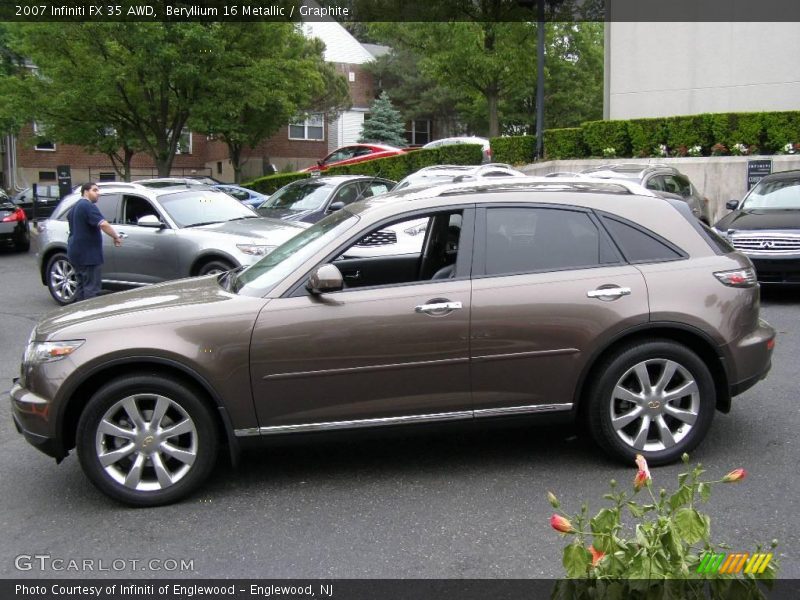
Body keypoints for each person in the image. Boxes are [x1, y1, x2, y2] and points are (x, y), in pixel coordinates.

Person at [67, 182, 122, 301]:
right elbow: (103, 224)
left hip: (75, 253)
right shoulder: (87, 206)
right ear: (86, 192)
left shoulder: (75, 207)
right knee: (92, 289)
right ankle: (89, 315)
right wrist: (116, 236)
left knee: (81, 287)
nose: (98, 193)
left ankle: (79, 314)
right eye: (95, 190)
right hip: (88, 255)